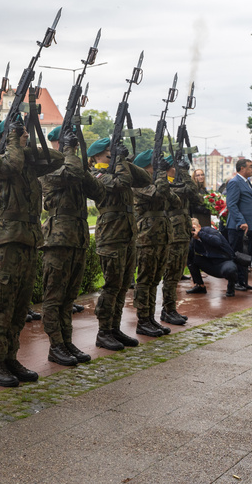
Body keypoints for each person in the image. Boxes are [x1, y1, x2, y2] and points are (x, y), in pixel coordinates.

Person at [0, 117, 62, 387]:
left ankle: (10, 356)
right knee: (2, 304)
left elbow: (56, 158)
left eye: (26, 132)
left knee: (19, 306)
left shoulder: (27, 164)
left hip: (28, 240)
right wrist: (12, 142)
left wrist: (24, 144)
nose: (25, 135)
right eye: (19, 133)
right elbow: (11, 163)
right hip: (6, 241)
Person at [87, 137, 151, 351]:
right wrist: (120, 161)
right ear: (96, 156)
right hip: (111, 236)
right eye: (108, 152)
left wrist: (123, 159)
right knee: (112, 286)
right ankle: (103, 331)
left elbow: (144, 179)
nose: (111, 154)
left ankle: (114, 328)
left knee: (124, 285)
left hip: (126, 234)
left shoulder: (119, 168)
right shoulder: (98, 174)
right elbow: (121, 183)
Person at [38, 127, 96, 366]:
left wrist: (82, 164)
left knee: (69, 295)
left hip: (77, 237)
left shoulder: (75, 166)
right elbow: (68, 173)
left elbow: (98, 191)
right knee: (54, 295)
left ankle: (66, 340)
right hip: (58, 238)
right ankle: (55, 345)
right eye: (65, 143)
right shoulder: (47, 164)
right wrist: (71, 152)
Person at [129, 150, 176, 338]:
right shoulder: (139, 184)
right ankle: (142, 320)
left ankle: (150, 318)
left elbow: (175, 200)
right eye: (155, 165)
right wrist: (163, 176)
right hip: (147, 237)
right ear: (148, 167)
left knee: (155, 280)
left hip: (161, 236)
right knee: (145, 280)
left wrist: (163, 179)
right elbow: (158, 195)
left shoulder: (156, 183)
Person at [161, 155, 204, 326]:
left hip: (182, 232)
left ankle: (170, 309)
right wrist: (185, 174)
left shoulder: (179, 182)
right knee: (171, 274)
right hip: (172, 233)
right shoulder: (165, 183)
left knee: (176, 273)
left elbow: (196, 195)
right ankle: (168, 309)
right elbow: (190, 191)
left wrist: (183, 174)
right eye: (176, 166)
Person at [225, 159, 252, 292]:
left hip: (247, 226)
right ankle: (235, 282)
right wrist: (241, 221)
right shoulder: (235, 182)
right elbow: (231, 204)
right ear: (242, 168)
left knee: (246, 255)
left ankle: (243, 281)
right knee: (237, 255)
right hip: (238, 226)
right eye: (250, 167)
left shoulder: (246, 181)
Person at [188, 218, 239, 296]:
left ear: (199, 226)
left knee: (230, 270)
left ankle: (231, 286)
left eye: (193, 227)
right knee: (192, 259)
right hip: (211, 264)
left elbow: (217, 241)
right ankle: (200, 286)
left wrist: (200, 234)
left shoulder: (209, 230)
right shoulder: (193, 240)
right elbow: (189, 254)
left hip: (224, 261)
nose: (192, 230)